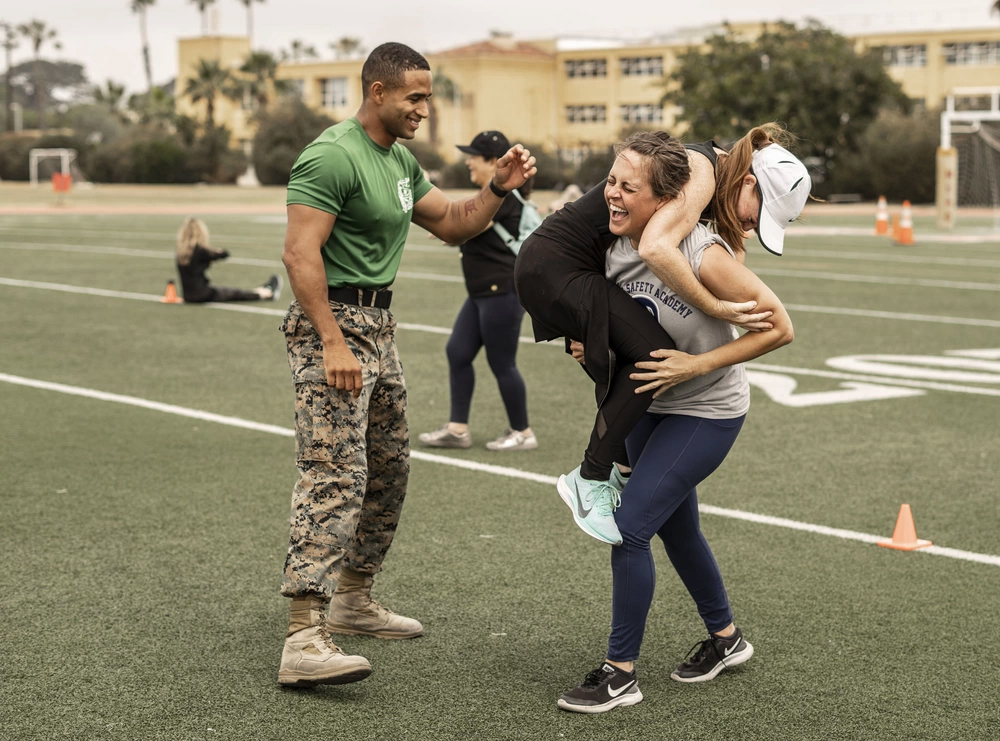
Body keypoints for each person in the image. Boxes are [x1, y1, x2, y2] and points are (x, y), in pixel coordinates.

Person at [276, 42, 536, 688]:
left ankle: (353, 598)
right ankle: (303, 636)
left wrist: (497, 187)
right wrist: (332, 341)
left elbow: (452, 223)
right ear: (377, 93)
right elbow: (299, 254)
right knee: (335, 470)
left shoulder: (397, 161)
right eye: (415, 97)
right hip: (330, 325)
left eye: (428, 96)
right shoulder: (334, 155)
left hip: (378, 326)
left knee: (388, 466)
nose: (425, 108)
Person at [556, 134, 803, 714]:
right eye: (613, 186)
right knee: (678, 528)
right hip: (649, 406)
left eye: (626, 187)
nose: (614, 197)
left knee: (630, 525)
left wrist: (697, 363)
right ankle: (727, 639)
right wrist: (586, 339)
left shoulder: (704, 251)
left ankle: (620, 675)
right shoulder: (620, 242)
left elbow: (780, 328)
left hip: (706, 411)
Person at [514, 124, 808, 544]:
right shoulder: (701, 168)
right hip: (557, 265)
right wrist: (717, 307)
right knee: (653, 354)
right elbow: (654, 247)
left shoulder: (716, 186)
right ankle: (590, 477)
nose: (750, 226)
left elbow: (723, 251)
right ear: (747, 182)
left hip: (560, 267)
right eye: (757, 215)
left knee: (628, 358)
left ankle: (617, 467)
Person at [418, 130, 536, 452]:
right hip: (481, 294)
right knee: (457, 352)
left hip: (502, 293)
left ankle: (522, 432)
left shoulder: (503, 198)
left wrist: (444, 223)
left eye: (474, 155)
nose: (468, 160)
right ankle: (457, 430)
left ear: (493, 161)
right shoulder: (488, 196)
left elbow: (462, 227)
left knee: (502, 364)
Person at [174, 217, 281, 303]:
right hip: (202, 294)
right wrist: (217, 252)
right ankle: (267, 293)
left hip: (188, 296)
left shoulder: (181, 253)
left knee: (232, 292)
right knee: (235, 293)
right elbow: (224, 254)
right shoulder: (201, 251)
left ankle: (262, 290)